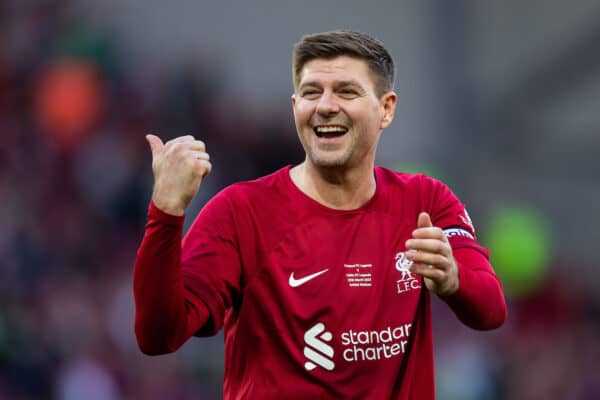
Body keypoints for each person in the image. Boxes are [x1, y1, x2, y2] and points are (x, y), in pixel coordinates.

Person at [133, 30, 507, 399]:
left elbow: (491, 309)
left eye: (346, 91)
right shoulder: (240, 212)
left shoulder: (426, 202)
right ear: (296, 107)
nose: (326, 105)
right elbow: (158, 336)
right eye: (312, 92)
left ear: (386, 109)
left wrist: (453, 278)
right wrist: (165, 214)